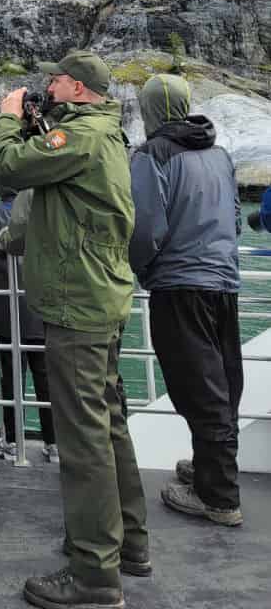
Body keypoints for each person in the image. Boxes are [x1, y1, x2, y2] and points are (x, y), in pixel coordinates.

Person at [0, 50, 149, 609]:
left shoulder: (79, 139)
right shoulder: (98, 134)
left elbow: (10, 169)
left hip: (77, 302)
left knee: (83, 441)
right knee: (107, 425)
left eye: (56, 80)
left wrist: (10, 117)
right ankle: (129, 543)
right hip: (99, 295)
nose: (48, 87)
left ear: (79, 89)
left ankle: (95, 576)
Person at [129, 74, 244, 527]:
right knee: (222, 383)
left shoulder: (152, 154)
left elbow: (146, 228)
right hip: (224, 284)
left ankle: (218, 497)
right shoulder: (219, 153)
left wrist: (143, 270)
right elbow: (234, 217)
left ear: (150, 110)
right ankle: (209, 468)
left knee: (198, 389)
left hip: (179, 286)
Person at [0, 195, 56, 462]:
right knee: (47, 378)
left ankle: (10, 441)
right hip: (44, 307)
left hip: (7, 310)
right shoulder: (49, 212)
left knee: (11, 378)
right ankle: (53, 442)